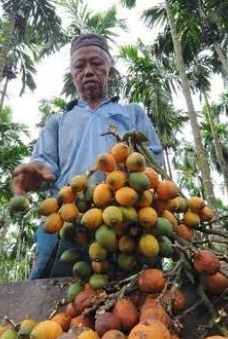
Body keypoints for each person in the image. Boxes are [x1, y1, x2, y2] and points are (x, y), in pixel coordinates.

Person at [12, 33, 163, 279]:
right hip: (71, 221)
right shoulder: (58, 122)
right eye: (80, 66)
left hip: (128, 221)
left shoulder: (132, 113)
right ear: (72, 74)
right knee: (53, 303)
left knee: (140, 298)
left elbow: (154, 164)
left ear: (110, 71)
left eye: (97, 64)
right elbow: (44, 167)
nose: (88, 71)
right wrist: (36, 175)